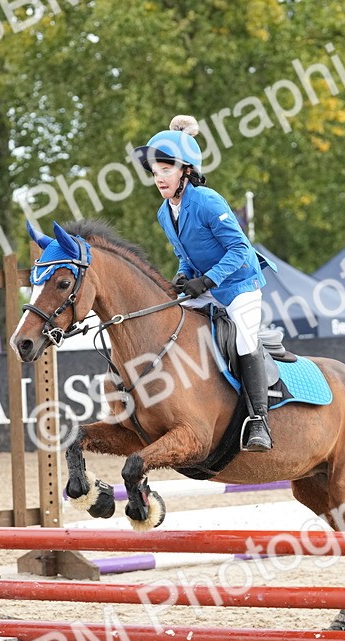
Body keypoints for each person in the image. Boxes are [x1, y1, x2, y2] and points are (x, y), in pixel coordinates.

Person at [133, 115, 274, 452]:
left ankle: (259, 420)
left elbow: (240, 248)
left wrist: (208, 280)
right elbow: (185, 254)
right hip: (205, 287)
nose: (159, 179)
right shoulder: (165, 212)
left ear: (185, 171)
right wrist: (184, 275)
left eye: (165, 170)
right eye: (155, 173)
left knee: (243, 339)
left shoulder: (208, 200)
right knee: (170, 326)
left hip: (239, 285)